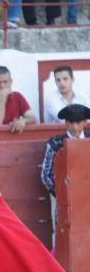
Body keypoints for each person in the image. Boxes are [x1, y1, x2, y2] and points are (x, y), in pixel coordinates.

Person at [41, 103, 90, 243]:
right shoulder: (55, 143)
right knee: (62, 229)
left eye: (78, 122)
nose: (75, 127)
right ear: (65, 123)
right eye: (71, 122)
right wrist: (61, 194)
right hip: (62, 196)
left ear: (85, 122)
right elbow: (46, 175)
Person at [0, 65, 36, 133]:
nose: (2, 86)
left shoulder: (18, 96)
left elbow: (32, 118)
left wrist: (24, 121)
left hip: (16, 135)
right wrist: (2, 96)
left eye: (5, 82)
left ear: (11, 82)